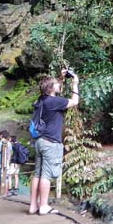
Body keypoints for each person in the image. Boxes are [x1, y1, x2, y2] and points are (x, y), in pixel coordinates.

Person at [28, 71, 79, 215]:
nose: (59, 85)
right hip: (51, 142)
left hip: (39, 141)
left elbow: (54, 87)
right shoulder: (54, 102)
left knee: (37, 173)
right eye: (56, 84)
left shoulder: (41, 100)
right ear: (51, 89)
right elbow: (74, 102)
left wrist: (61, 78)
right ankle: (43, 206)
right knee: (46, 175)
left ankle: (33, 206)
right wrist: (75, 84)